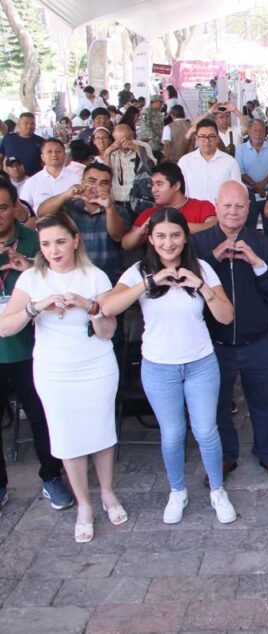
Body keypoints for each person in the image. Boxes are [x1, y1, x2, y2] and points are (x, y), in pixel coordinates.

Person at [102, 207, 238, 525]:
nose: (168, 243)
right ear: (150, 239)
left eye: (175, 235)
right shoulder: (138, 271)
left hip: (200, 363)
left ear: (185, 237)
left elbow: (226, 316)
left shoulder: (202, 268)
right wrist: (149, 282)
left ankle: (217, 490)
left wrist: (200, 286)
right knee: (173, 434)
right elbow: (108, 307)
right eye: (161, 236)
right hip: (159, 367)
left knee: (206, 431)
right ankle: (177, 491)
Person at [0, 212, 122, 542]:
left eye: (60, 242)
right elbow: (5, 327)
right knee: (66, 435)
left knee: (101, 428)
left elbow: (108, 332)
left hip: (95, 364)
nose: (53, 250)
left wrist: (89, 306)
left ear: (75, 240)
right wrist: (35, 308)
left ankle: (107, 491)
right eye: (46, 244)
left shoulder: (94, 276)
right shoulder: (32, 279)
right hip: (53, 369)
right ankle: (84, 504)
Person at [193, 182, 268, 483]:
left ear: (249, 209)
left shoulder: (262, 244)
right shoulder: (197, 245)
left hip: (258, 341)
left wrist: (258, 264)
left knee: (266, 402)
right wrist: (212, 260)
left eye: (239, 206)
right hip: (214, 343)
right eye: (227, 205)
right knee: (218, 404)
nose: (233, 211)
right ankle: (225, 456)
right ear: (216, 206)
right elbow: (185, 292)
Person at [0, 180, 75, 514]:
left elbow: (62, 281)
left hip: (34, 348)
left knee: (43, 416)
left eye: (3, 207)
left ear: (16, 206)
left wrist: (29, 267)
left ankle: (51, 476)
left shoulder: (37, 240)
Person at [39, 162, 126, 284]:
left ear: (110, 186)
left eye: (104, 183)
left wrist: (109, 208)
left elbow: (117, 236)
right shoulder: (69, 207)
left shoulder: (118, 210)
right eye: (92, 181)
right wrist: (66, 195)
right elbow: (42, 213)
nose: (96, 187)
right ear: (82, 182)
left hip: (110, 279)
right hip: (75, 279)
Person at [121, 162, 216, 250]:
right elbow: (126, 245)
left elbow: (215, 227)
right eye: (152, 185)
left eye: (159, 184)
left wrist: (177, 226)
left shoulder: (202, 206)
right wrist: (141, 231)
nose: (153, 190)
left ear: (176, 186)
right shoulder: (149, 214)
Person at [236, 119, 268, 230]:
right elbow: (240, 171)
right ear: (249, 132)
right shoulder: (241, 149)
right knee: (249, 226)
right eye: (255, 130)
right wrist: (256, 186)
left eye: (261, 131)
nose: (258, 134)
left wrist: (262, 184)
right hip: (249, 194)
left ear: (265, 132)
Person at [21, 138, 79, 213]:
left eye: (58, 151)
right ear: (42, 157)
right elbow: (24, 210)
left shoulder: (77, 178)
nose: (54, 154)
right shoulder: (31, 182)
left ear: (64, 155)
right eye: (49, 151)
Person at [0, 112, 45, 177]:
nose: (29, 126)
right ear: (19, 124)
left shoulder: (41, 141)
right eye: (26, 123)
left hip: (35, 178)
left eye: (32, 123)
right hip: (12, 180)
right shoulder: (8, 139)